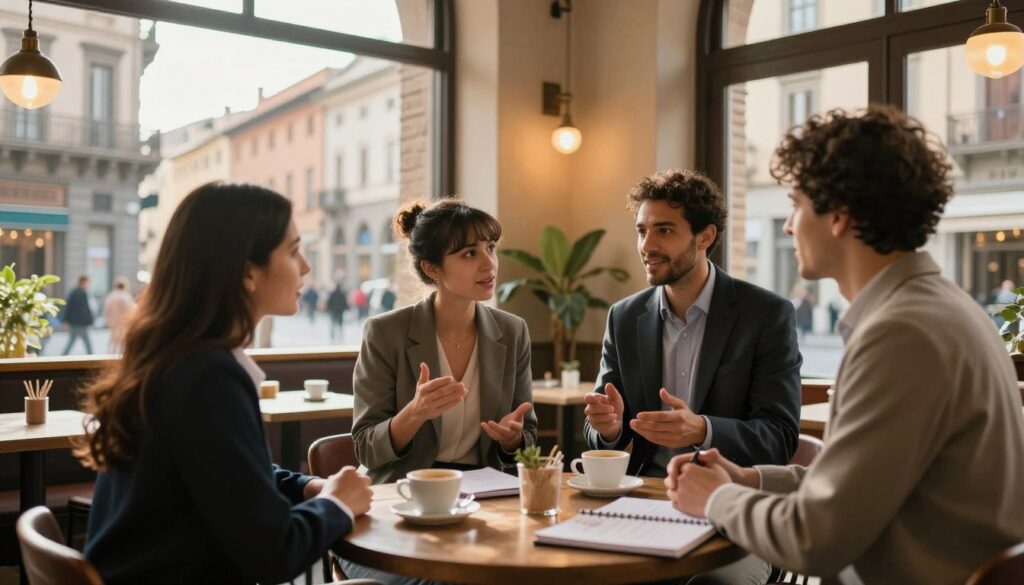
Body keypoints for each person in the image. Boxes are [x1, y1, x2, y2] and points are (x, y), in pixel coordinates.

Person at [667, 106, 1024, 584]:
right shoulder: (939, 307)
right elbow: (854, 488)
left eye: (795, 204)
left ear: (839, 214)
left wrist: (714, 497)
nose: (790, 225)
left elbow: (814, 540)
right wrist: (748, 478)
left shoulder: (901, 333)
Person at [77, 183, 374, 584]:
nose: (304, 266)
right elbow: (272, 554)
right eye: (292, 250)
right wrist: (338, 505)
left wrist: (308, 487)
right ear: (247, 272)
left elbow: (227, 477)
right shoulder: (209, 378)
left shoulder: (174, 359)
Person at [583, 169, 801, 476]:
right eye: (642, 231)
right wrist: (608, 428)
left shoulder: (766, 315)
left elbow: (779, 438)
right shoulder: (624, 317)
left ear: (705, 237)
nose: (647, 246)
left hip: (724, 498)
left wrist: (703, 429)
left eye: (665, 231)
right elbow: (600, 431)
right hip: (643, 495)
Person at [62, 274, 94, 355]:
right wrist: (90, 320)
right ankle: (92, 358)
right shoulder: (82, 293)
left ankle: (62, 356)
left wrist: (65, 321)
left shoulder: (73, 292)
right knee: (87, 343)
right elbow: (85, 309)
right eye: (88, 282)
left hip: (74, 322)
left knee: (72, 342)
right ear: (83, 282)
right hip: (81, 323)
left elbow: (68, 308)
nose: (88, 284)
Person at [102, 276, 135, 353]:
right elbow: (131, 309)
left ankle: (111, 352)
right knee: (123, 339)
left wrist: (107, 320)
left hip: (113, 321)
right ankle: (123, 354)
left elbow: (106, 310)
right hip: (124, 321)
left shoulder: (111, 296)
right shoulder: (126, 296)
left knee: (113, 339)